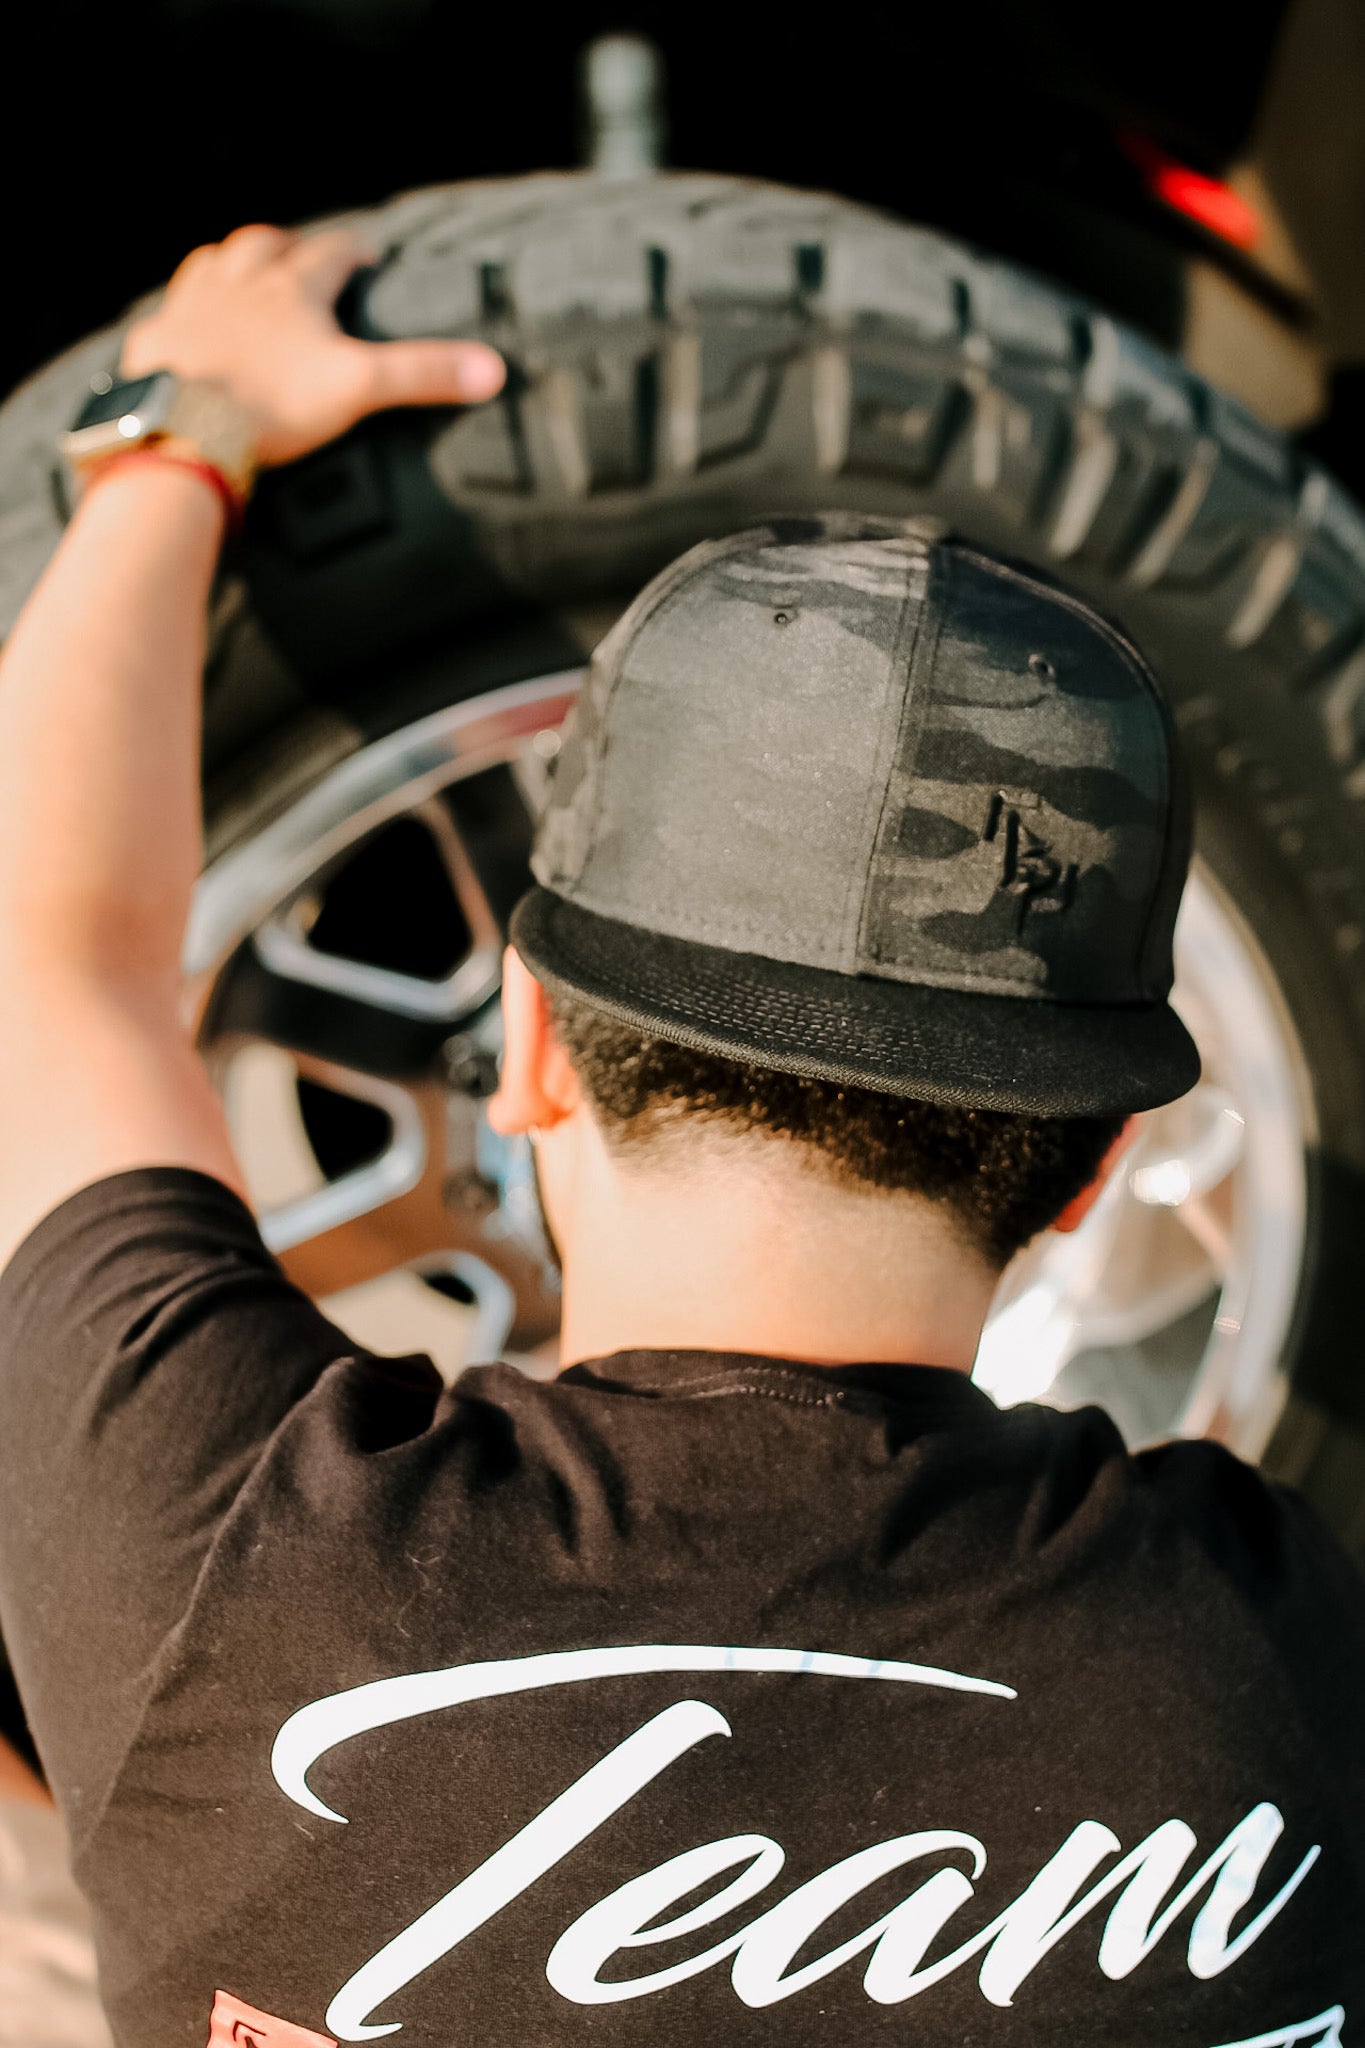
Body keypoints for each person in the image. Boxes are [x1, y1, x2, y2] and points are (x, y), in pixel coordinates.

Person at [0, 225, 1360, 2048]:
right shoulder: (1283, 1660)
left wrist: (180, 437)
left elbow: (55, 954)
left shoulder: (205, 1551)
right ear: (1098, 1163)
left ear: (528, 1050)